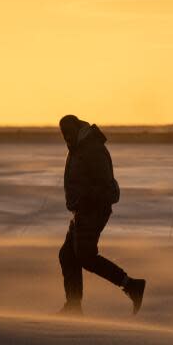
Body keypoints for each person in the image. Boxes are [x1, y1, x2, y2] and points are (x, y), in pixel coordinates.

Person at [57, 114, 145, 315]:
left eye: (68, 133)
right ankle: (73, 306)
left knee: (86, 257)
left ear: (77, 129)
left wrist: (87, 198)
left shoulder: (92, 149)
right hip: (82, 210)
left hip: (93, 211)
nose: (66, 138)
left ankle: (131, 285)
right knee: (67, 255)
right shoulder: (78, 147)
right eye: (63, 134)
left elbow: (106, 186)